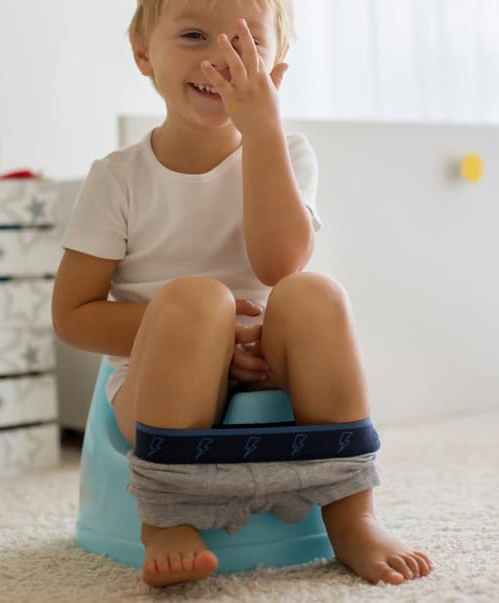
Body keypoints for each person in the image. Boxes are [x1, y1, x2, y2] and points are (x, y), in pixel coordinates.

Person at [52, 0, 432, 588]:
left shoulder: (288, 151)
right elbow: (73, 316)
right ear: (144, 54)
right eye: (195, 34)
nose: (218, 59)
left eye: (244, 43)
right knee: (197, 300)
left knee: (316, 295)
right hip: (154, 384)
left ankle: (352, 516)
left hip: (268, 366)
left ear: (276, 69)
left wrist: (262, 131)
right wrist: (197, 328)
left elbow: (279, 265)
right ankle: (168, 517)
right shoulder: (118, 176)